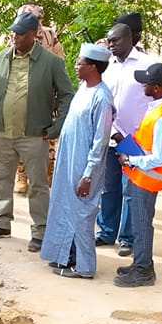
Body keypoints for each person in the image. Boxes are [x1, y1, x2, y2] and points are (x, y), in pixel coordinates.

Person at [0, 11, 74, 252]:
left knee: (38, 184)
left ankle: (40, 231)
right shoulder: (2, 58)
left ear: (34, 35)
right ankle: (2, 222)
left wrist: (56, 128)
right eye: (12, 32)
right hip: (4, 133)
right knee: (3, 180)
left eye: (20, 34)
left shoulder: (51, 62)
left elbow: (66, 96)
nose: (14, 37)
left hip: (34, 135)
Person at [40, 44, 117, 280]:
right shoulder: (84, 89)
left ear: (93, 67)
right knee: (65, 208)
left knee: (82, 214)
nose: (76, 65)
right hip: (69, 162)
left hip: (85, 166)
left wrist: (88, 175)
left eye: (80, 62)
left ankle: (85, 267)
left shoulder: (102, 98)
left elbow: (101, 140)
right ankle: (66, 256)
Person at [114, 63, 162, 288]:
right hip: (143, 174)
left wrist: (130, 160)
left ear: (157, 87)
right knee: (140, 222)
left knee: (142, 224)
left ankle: (143, 271)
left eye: (147, 82)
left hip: (148, 175)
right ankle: (141, 263)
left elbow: (159, 158)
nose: (143, 84)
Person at [96, 14, 155, 255]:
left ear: (130, 39)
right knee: (108, 188)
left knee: (130, 189)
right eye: (109, 41)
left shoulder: (147, 64)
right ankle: (106, 232)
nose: (111, 45)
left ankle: (127, 239)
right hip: (108, 136)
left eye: (116, 40)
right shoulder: (105, 64)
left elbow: (156, 100)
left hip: (134, 138)